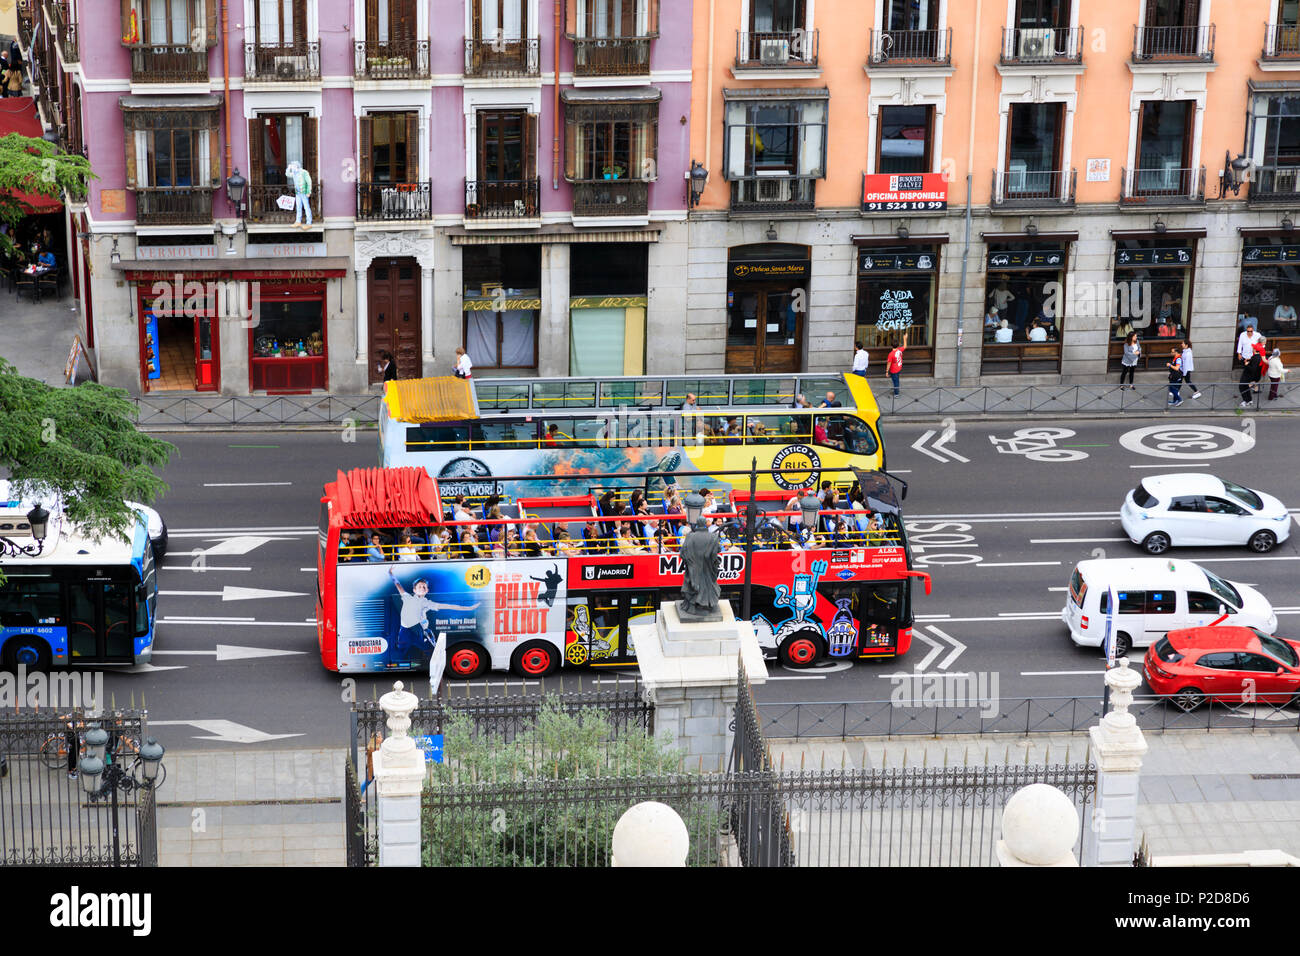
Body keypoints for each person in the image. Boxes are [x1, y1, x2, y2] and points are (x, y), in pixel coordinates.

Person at [284, 161, 313, 229]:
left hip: (304, 192)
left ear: (297, 166)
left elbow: (309, 182)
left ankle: (309, 222)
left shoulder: (304, 172)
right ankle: (298, 221)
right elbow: (287, 174)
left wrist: (309, 191)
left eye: (293, 166)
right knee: (298, 207)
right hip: (298, 193)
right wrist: (288, 168)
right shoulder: (294, 173)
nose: (292, 168)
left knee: (306, 207)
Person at [1240, 343, 1265, 408]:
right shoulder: (1257, 356)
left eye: (1253, 348)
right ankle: (1249, 400)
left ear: (1255, 349)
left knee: (1242, 387)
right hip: (1250, 375)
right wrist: (1249, 360)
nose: (1252, 348)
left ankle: (1246, 401)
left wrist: (1246, 364)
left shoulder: (1256, 358)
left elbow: (1253, 369)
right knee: (1246, 387)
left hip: (1247, 375)